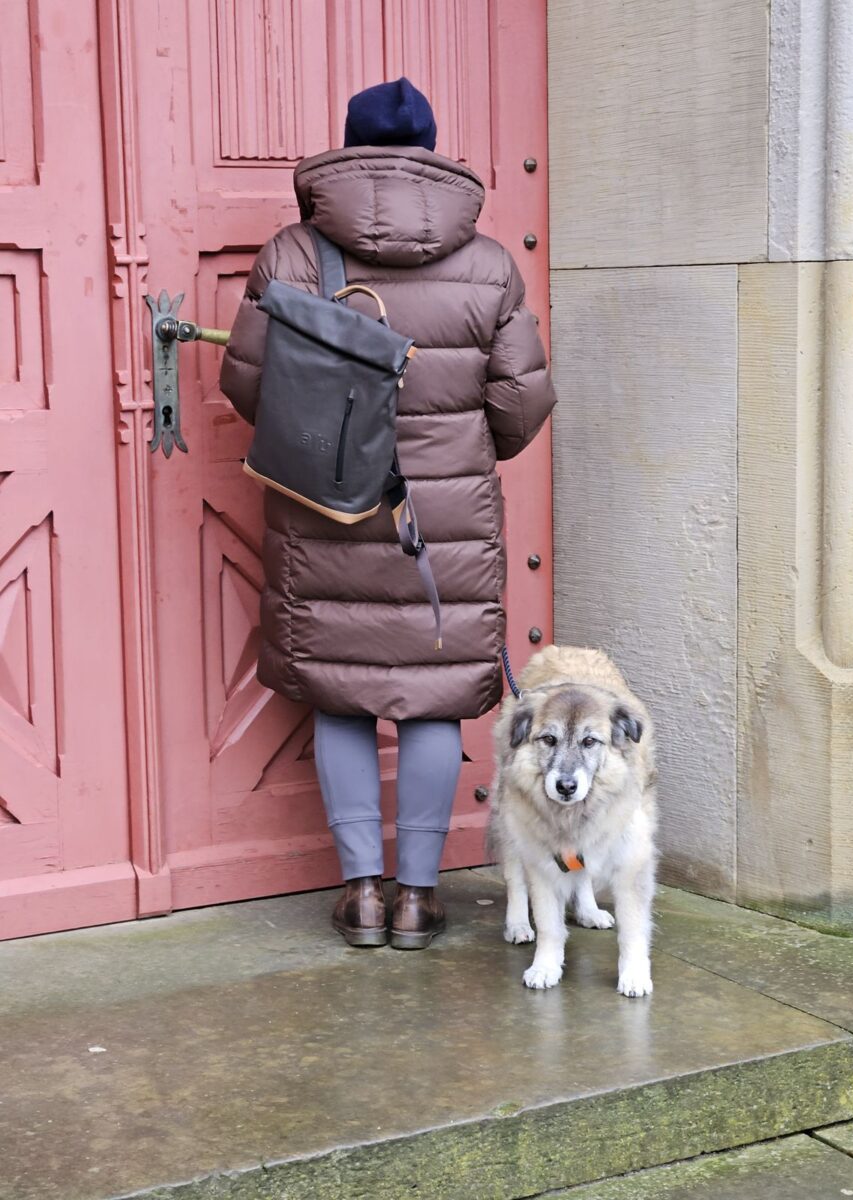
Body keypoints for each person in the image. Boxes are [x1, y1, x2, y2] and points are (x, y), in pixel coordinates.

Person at [220, 77, 556, 950]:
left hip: (327, 509)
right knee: (433, 704)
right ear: (435, 155)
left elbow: (246, 387)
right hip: (439, 525)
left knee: (341, 696)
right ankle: (418, 899)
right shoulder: (487, 264)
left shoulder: (294, 252)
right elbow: (520, 408)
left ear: (349, 149)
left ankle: (361, 894)